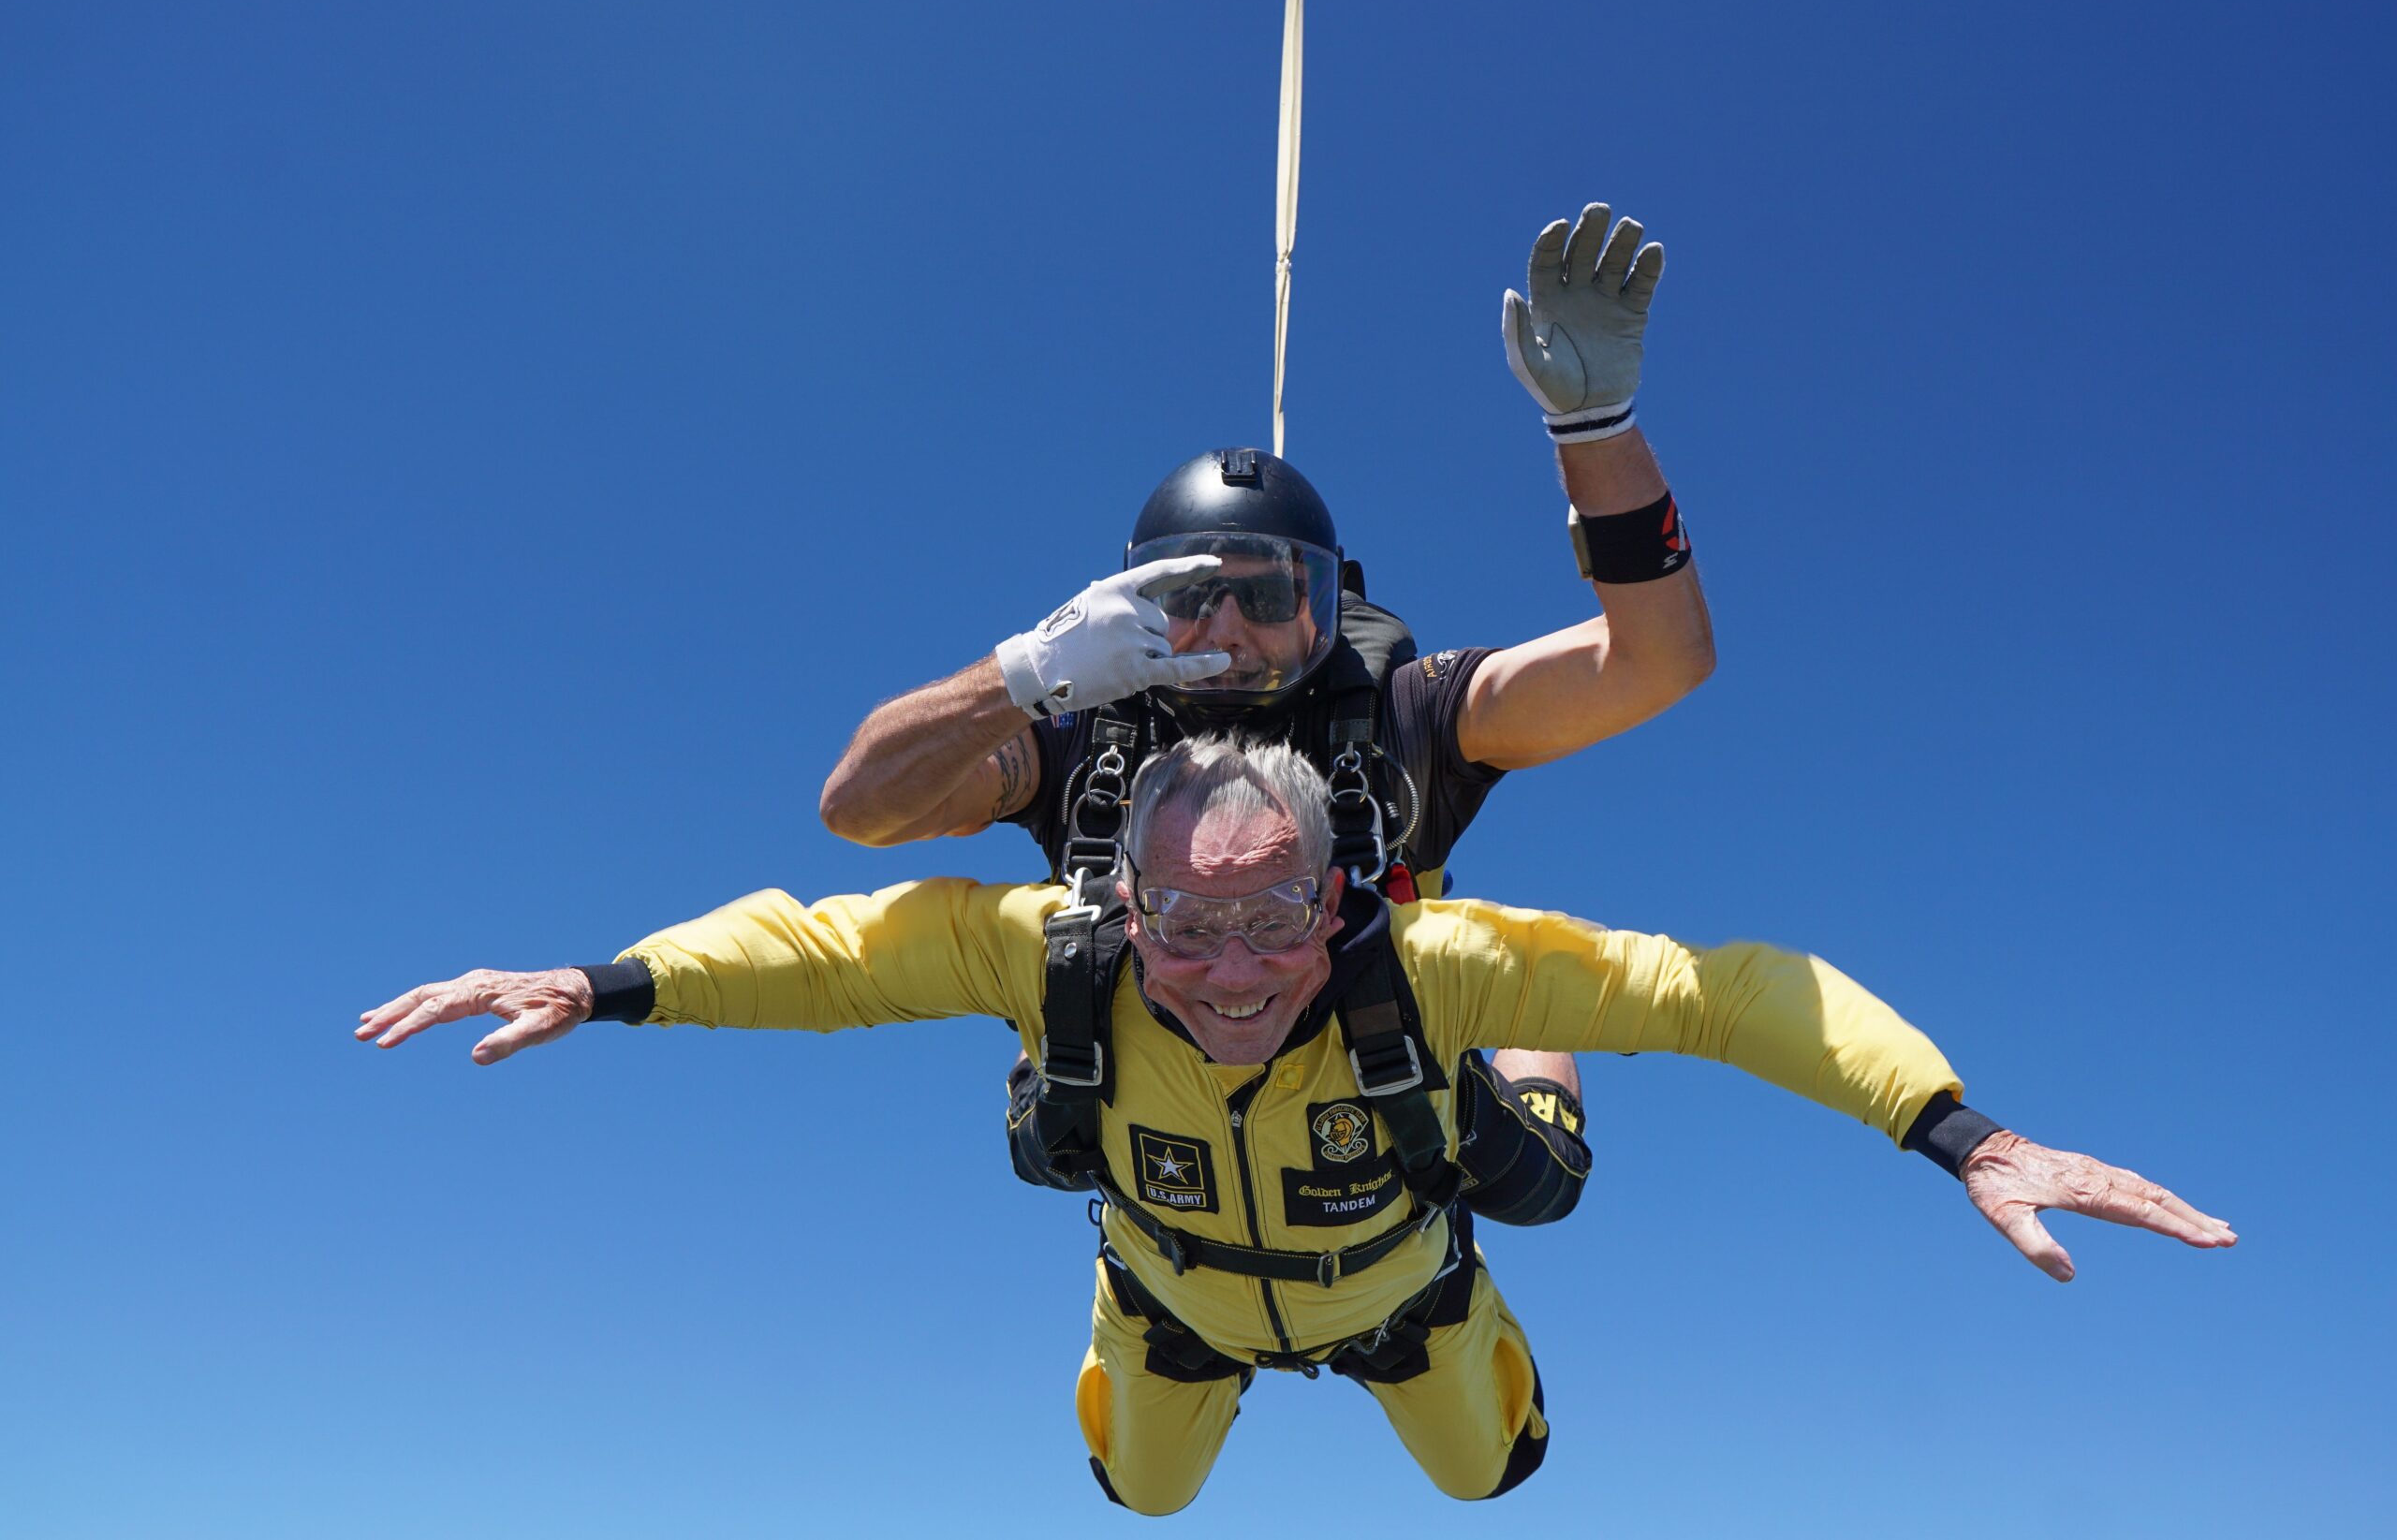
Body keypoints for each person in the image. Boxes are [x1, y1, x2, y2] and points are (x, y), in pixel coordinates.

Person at [358, 737, 2235, 1516]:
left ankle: (1530, 1107)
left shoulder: (1424, 959)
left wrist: (1957, 1130)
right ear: (1125, 901)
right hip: (1169, 1299)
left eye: (1275, 914)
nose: (1234, 959)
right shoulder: (1060, 949)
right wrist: (604, 982)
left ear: (1345, 899)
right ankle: (1264, 1286)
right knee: (1140, 1499)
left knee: (1486, 1481)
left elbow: (1735, 991)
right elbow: (825, 945)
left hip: (1400, 1294)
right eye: (1187, 919)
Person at [816, 203, 1714, 1225]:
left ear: (1328, 608)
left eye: (1272, 594)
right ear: (1129, 608)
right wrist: (1024, 670)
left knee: (1533, 1180)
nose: (1230, 628)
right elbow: (859, 807)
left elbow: (1656, 662)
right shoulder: (1081, 733)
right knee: (1054, 1124)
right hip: (1170, 1134)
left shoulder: (1400, 714)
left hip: (1380, 1106)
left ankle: (1518, 1068)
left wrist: (1597, 436)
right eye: (1189, 596)